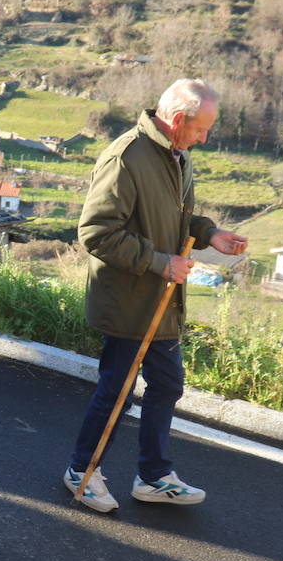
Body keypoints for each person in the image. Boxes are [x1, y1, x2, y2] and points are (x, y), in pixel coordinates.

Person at [62, 78, 248, 512]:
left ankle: (153, 476)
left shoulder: (177, 156)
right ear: (178, 119)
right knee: (118, 391)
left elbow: (177, 218)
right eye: (201, 128)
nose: (205, 138)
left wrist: (209, 233)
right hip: (129, 301)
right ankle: (79, 471)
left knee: (166, 384)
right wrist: (160, 262)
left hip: (163, 303)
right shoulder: (126, 157)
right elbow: (96, 233)